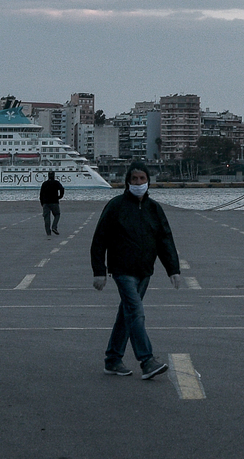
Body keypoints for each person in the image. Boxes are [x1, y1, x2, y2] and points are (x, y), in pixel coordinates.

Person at [90, 162, 182, 378]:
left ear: (148, 181)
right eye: (134, 179)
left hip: (144, 271)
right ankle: (147, 360)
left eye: (142, 179)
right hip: (122, 270)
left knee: (127, 314)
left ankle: (112, 359)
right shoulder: (116, 206)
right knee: (136, 313)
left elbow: (165, 240)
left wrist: (173, 269)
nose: (138, 183)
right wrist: (99, 271)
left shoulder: (154, 209)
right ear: (127, 182)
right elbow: (99, 240)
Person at [39, 171, 64, 236]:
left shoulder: (44, 183)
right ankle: (54, 227)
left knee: (46, 217)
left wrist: (42, 202)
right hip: (54, 202)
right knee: (57, 214)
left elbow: (41, 194)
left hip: (45, 203)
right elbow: (62, 189)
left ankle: (48, 232)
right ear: (54, 176)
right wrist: (60, 196)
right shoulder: (56, 183)